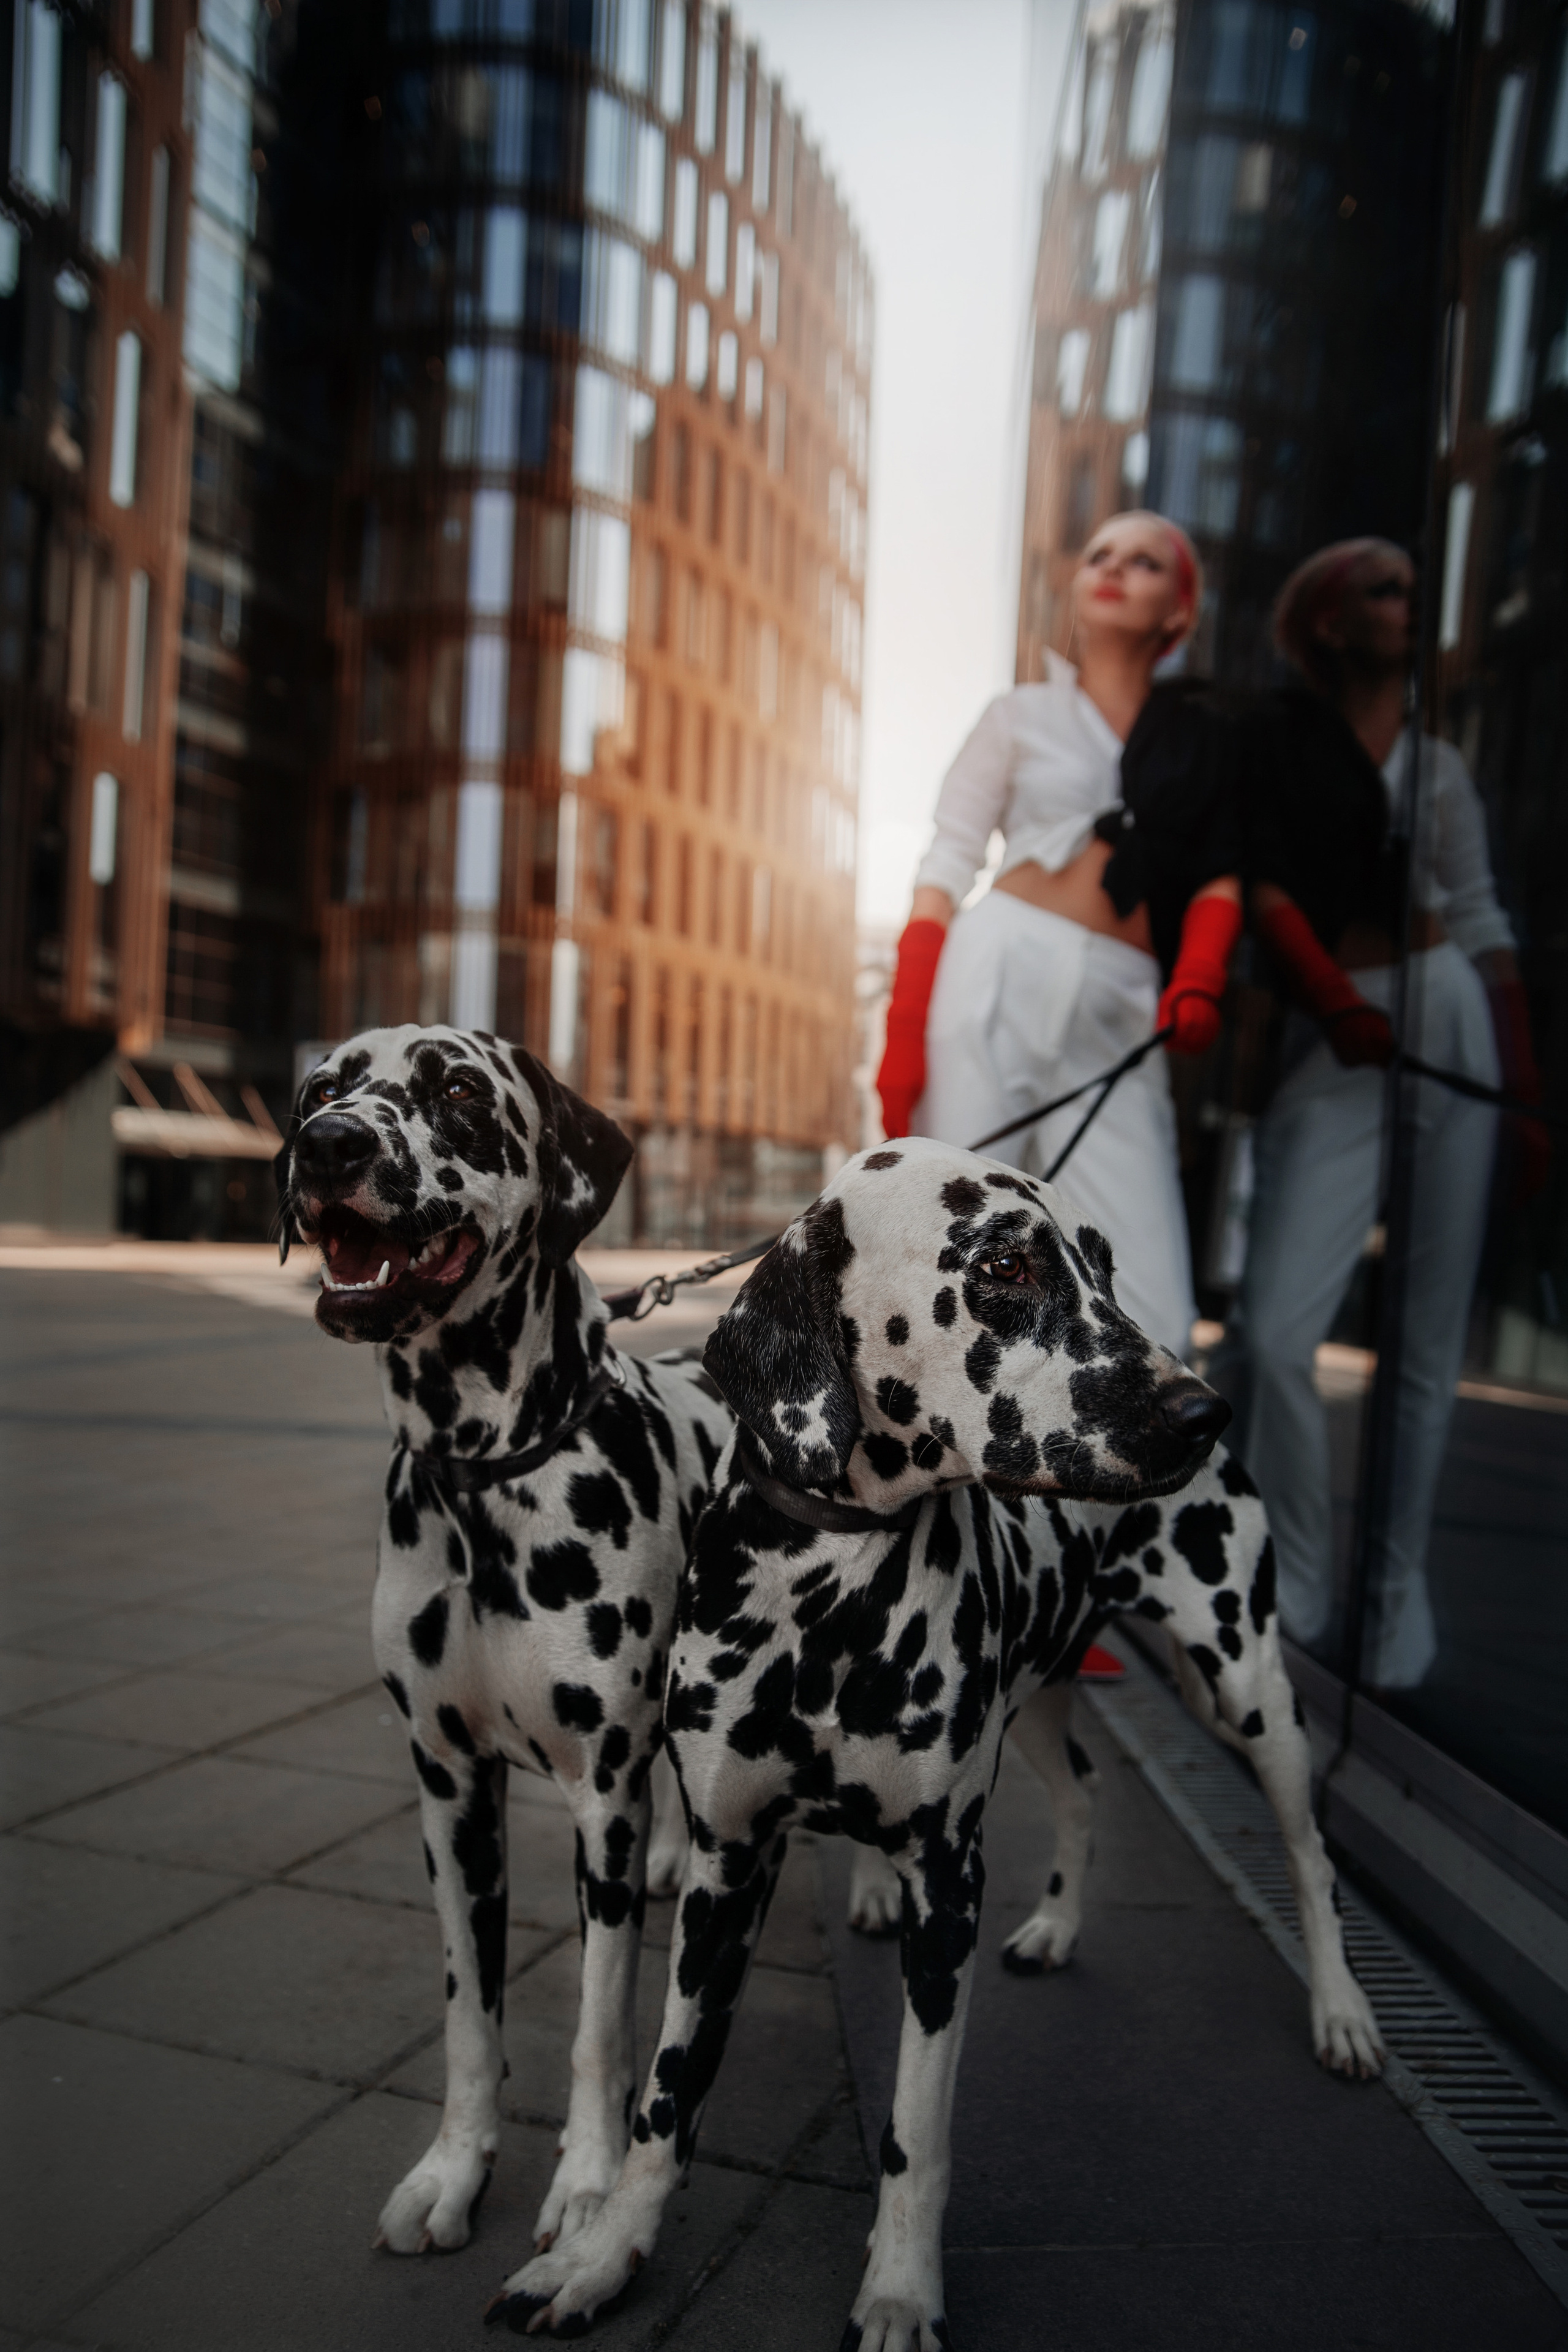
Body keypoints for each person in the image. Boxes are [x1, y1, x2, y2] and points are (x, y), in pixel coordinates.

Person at [1230, 538, 1544, 1689]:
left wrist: (1525, 1095)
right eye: (1385, 591)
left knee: (1424, 1339)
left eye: (1414, 593)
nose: (1409, 609)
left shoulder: (1439, 767)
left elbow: (1487, 927)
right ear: (1326, 620)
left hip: (1447, 1012)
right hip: (1337, 1029)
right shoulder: (1276, 745)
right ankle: (1295, 1585)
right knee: (1272, 1332)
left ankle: (1394, 1605)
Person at [876, 509, 1242, 1362]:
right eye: (1099, 555)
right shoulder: (1020, 714)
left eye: (1146, 563)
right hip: (998, 971)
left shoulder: (1202, 741)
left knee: (1155, 1311)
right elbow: (947, 863)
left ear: (1179, 612)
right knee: (943, 1262)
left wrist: (1201, 976)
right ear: (1076, 588)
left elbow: (1225, 874)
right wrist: (903, 1036)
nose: (1114, 570)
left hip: (1122, 1007)